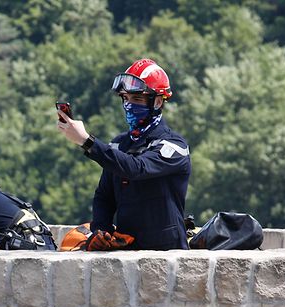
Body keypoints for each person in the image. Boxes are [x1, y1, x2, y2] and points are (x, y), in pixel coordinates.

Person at [56, 58, 191, 251]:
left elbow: (136, 168)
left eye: (136, 99)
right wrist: (101, 230)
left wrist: (87, 141)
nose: (128, 105)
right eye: (125, 98)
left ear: (158, 101)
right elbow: (104, 196)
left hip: (167, 255)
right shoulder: (119, 144)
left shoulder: (174, 146)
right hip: (126, 253)